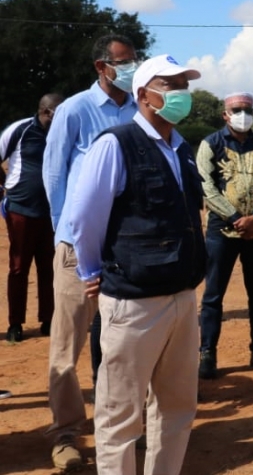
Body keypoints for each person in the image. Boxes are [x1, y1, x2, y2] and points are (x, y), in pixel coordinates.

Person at [69, 54, 207, 474]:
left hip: (183, 299)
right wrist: (92, 273)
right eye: (172, 84)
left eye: (185, 83)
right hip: (133, 305)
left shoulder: (181, 150)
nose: (182, 91)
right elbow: (85, 219)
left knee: (177, 408)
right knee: (120, 415)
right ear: (144, 95)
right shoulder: (116, 144)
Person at [42, 34, 141, 470]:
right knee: (67, 347)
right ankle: (66, 436)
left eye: (134, 60)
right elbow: (54, 175)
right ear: (101, 66)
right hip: (77, 248)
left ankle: (120, 429)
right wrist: (70, 237)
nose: (131, 67)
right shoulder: (74, 110)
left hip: (124, 246)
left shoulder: (140, 108)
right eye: (123, 61)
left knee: (125, 342)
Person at [196, 92, 253, 379]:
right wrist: (235, 219)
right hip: (222, 232)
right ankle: (207, 352)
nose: (242, 114)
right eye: (236, 109)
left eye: (247, 109)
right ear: (225, 114)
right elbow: (206, 186)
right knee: (213, 295)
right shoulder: (211, 144)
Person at [1, 94, 63, 343]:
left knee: (49, 268)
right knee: (18, 267)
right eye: (58, 114)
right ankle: (15, 324)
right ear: (46, 112)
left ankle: (48, 320)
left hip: (52, 212)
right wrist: (4, 186)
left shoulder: (63, 133)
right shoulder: (20, 129)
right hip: (20, 210)